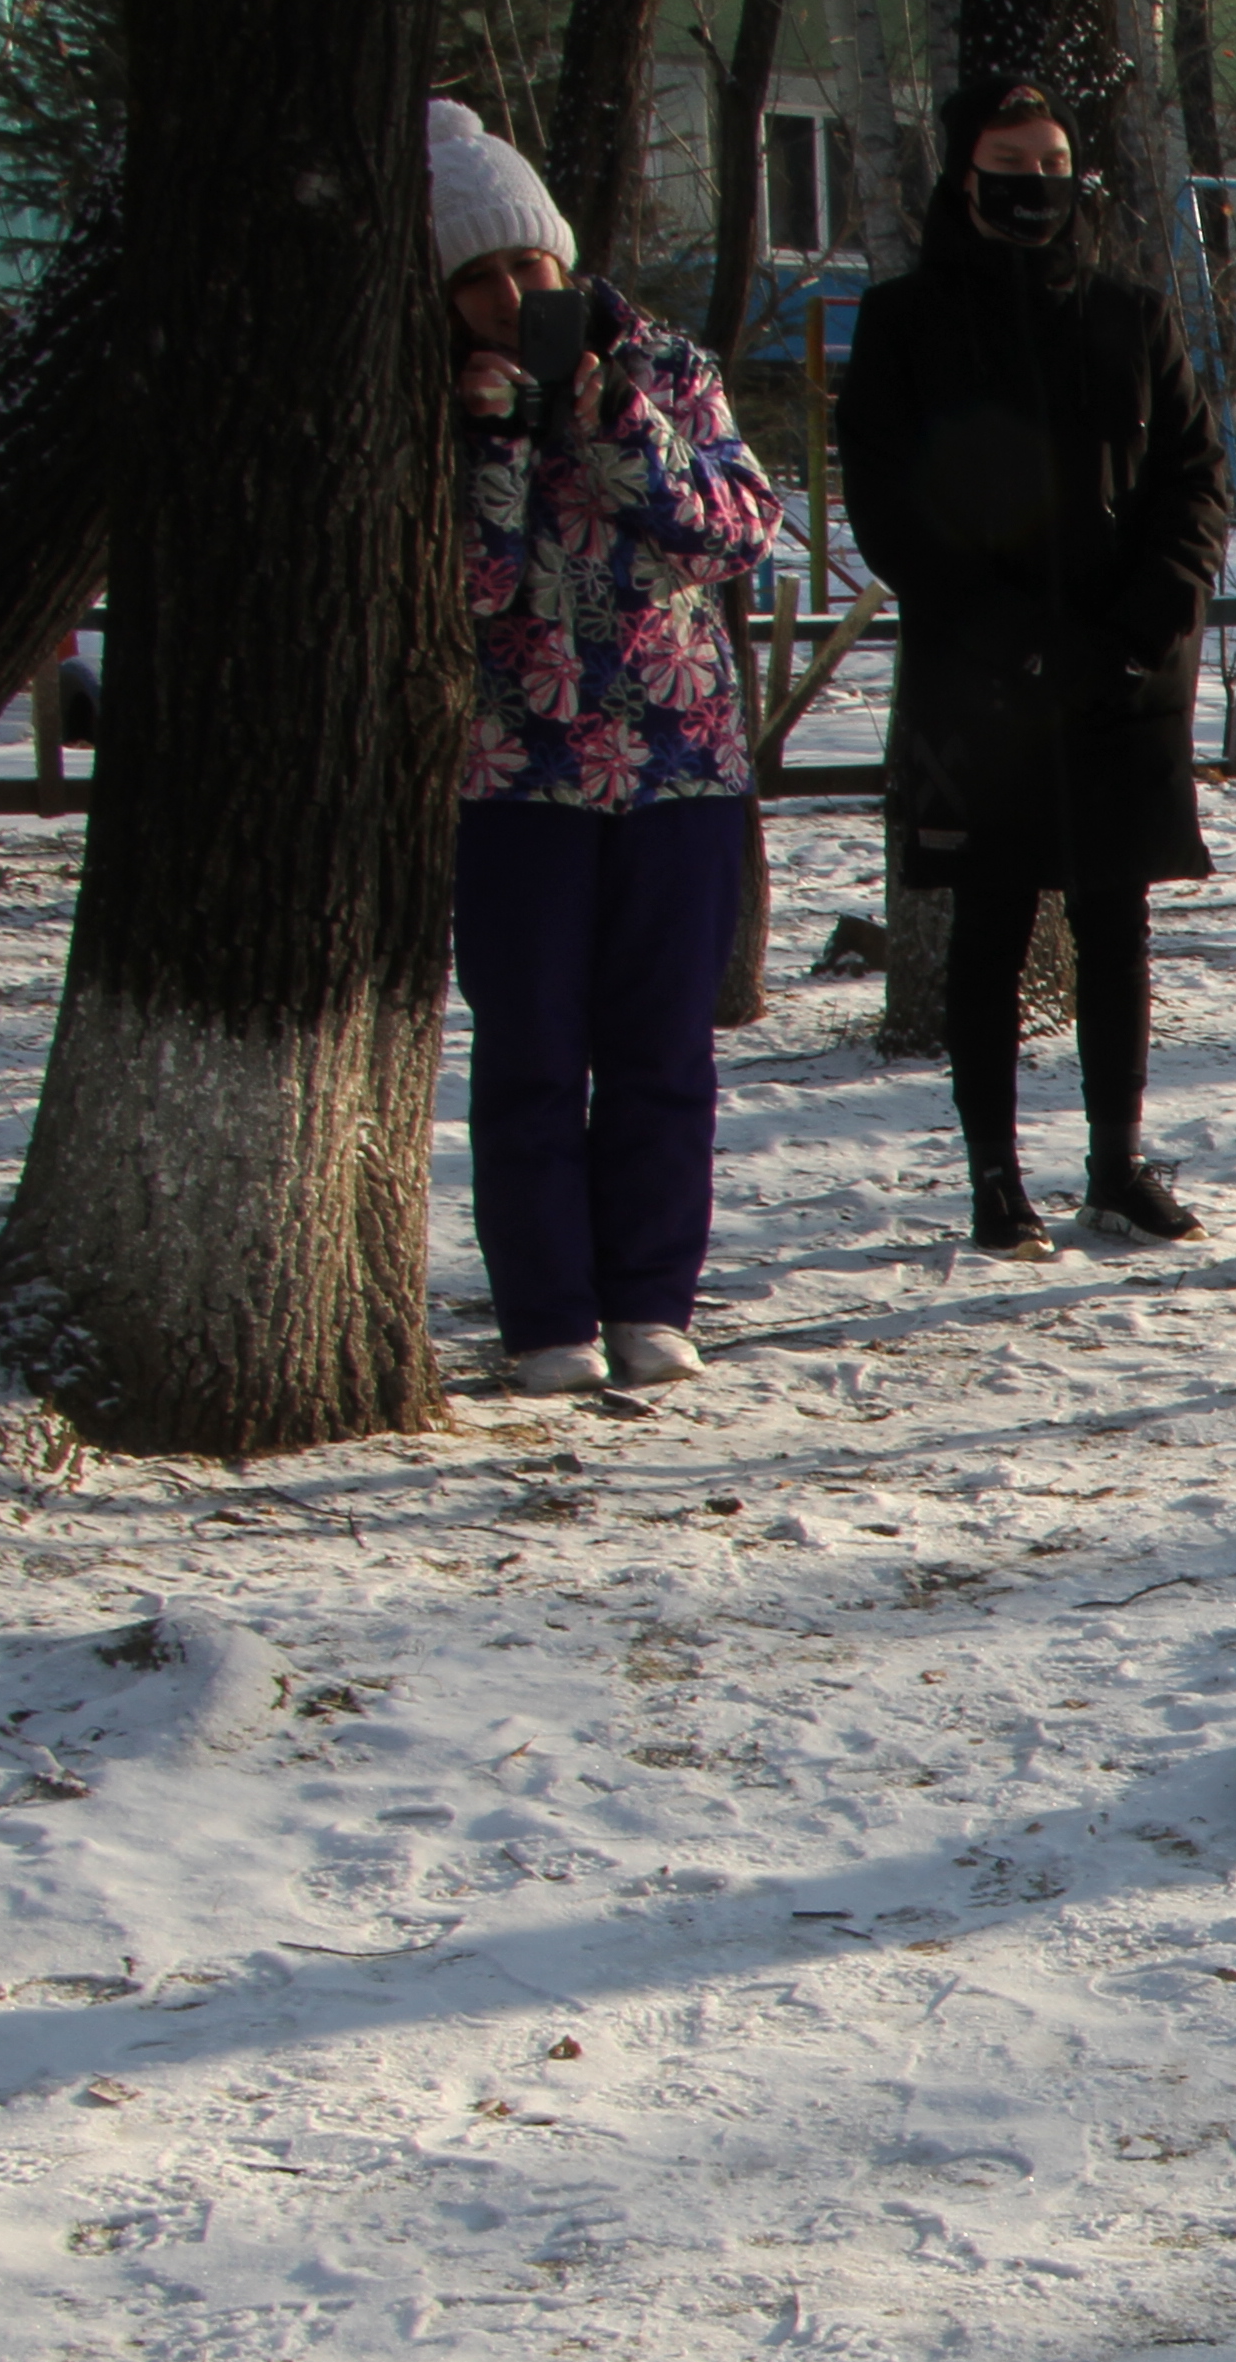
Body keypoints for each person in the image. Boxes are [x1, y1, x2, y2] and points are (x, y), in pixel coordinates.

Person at [837, 71, 1233, 1259]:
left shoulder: (1133, 315)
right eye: (1009, 172)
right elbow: (890, 509)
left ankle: (1116, 1163)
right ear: (964, 180)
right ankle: (995, 1177)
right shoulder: (905, 321)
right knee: (990, 927)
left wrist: (1139, 624)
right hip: (982, 678)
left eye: (1053, 170)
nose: (1034, 193)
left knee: (1117, 926)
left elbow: (1197, 484)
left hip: (1124, 676)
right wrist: (1013, 637)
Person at [432, 98, 786, 1396]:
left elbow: (738, 531)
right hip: (518, 773)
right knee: (527, 1046)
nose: (512, 298)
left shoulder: (668, 371)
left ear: (566, 259)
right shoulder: (444, 407)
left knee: (661, 1047)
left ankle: (650, 1297)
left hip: (677, 766)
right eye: (478, 282)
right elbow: (468, 591)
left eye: (528, 268)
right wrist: (503, 444)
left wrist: (614, 422)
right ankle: (546, 1317)